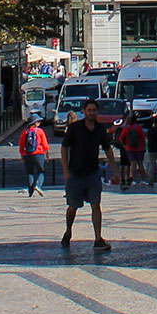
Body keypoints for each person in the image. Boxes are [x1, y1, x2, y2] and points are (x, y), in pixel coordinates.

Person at [60, 103, 116, 251]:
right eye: (89, 110)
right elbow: (64, 147)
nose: (92, 113)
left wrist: (115, 168)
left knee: (96, 205)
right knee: (73, 206)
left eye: (94, 110)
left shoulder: (100, 129)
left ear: (97, 112)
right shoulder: (75, 128)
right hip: (76, 173)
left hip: (93, 173)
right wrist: (66, 170)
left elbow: (107, 148)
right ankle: (68, 231)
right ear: (84, 111)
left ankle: (98, 238)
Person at [20, 119, 50, 197]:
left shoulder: (25, 132)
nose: (39, 123)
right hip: (38, 153)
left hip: (27, 154)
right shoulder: (40, 131)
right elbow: (44, 144)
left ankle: (31, 192)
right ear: (35, 123)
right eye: (38, 122)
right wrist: (47, 154)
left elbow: (21, 145)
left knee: (30, 172)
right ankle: (38, 185)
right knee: (41, 171)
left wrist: (22, 156)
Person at [118, 118, 147, 191]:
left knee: (133, 164)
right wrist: (143, 146)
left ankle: (133, 180)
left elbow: (121, 139)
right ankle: (143, 180)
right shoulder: (139, 128)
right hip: (140, 148)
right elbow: (143, 137)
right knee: (140, 164)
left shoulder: (126, 129)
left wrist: (125, 147)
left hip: (130, 148)